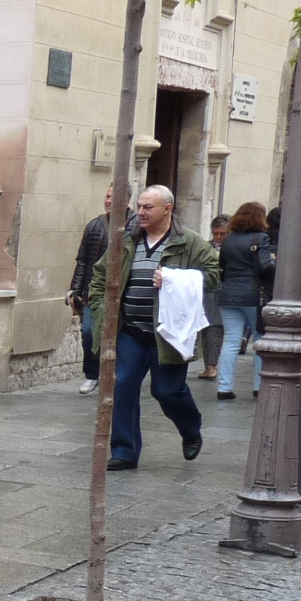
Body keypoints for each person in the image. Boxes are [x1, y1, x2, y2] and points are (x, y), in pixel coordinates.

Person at [87, 184, 219, 470]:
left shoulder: (189, 242)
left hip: (169, 333)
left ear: (167, 209)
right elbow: (99, 275)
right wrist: (100, 308)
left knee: (167, 391)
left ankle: (190, 428)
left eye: (148, 207)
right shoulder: (127, 240)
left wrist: (174, 278)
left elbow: (213, 276)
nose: (140, 212)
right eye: (139, 206)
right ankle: (124, 451)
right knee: (122, 386)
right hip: (130, 331)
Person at [215, 201, 274, 402]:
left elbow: (222, 266)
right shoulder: (261, 238)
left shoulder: (228, 239)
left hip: (228, 293)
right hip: (252, 294)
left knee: (231, 340)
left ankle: (224, 387)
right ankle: (258, 386)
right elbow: (265, 266)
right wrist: (275, 261)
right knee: (259, 339)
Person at [68, 187, 115, 393]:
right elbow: (82, 260)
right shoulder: (94, 226)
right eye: (107, 196)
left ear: (126, 200)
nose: (108, 201)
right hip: (93, 292)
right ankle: (92, 375)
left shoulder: (135, 226)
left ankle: (115, 375)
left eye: (113, 197)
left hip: (122, 293)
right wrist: (75, 290)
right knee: (88, 332)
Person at [197, 214, 228, 379]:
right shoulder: (206, 247)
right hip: (207, 290)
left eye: (222, 234)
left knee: (215, 328)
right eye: (216, 233)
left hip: (224, 290)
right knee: (206, 328)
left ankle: (212, 366)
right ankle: (208, 365)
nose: (218, 237)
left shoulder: (231, 247)